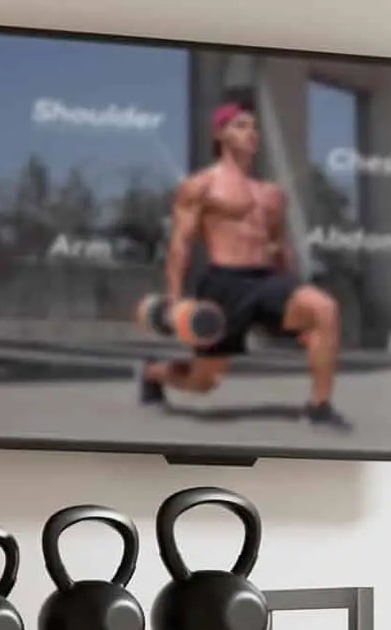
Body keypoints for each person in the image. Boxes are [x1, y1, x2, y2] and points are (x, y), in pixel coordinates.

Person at [139, 102, 350, 429]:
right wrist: (174, 299)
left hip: (267, 280)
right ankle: (154, 372)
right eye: (240, 125)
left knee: (324, 309)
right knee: (203, 381)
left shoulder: (272, 194)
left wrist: (291, 293)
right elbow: (180, 244)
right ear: (220, 133)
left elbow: (280, 247)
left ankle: (319, 406)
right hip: (224, 283)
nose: (251, 132)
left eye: (253, 126)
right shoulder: (201, 185)